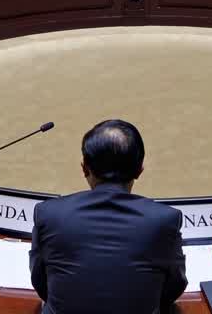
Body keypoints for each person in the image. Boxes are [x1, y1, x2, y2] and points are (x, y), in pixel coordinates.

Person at [30, 119, 186, 314]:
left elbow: (41, 283)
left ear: (84, 168)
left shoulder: (48, 214)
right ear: (139, 170)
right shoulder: (165, 220)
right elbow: (174, 286)